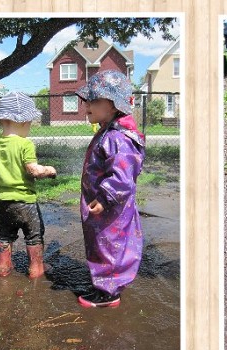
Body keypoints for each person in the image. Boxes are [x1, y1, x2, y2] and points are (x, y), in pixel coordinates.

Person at [75, 70, 145, 308]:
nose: (87, 107)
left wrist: (105, 197)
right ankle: (104, 283)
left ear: (114, 105)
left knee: (110, 245)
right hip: (102, 206)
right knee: (102, 242)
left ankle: (108, 292)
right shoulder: (108, 132)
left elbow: (123, 176)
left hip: (110, 207)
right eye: (87, 101)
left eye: (94, 101)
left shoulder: (119, 137)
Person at [0, 92, 57, 279]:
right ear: (22, 122)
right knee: (34, 236)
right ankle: (36, 268)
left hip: (3, 203)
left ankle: (3, 267)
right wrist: (49, 169)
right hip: (25, 202)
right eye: (29, 123)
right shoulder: (25, 144)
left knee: (5, 235)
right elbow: (33, 170)